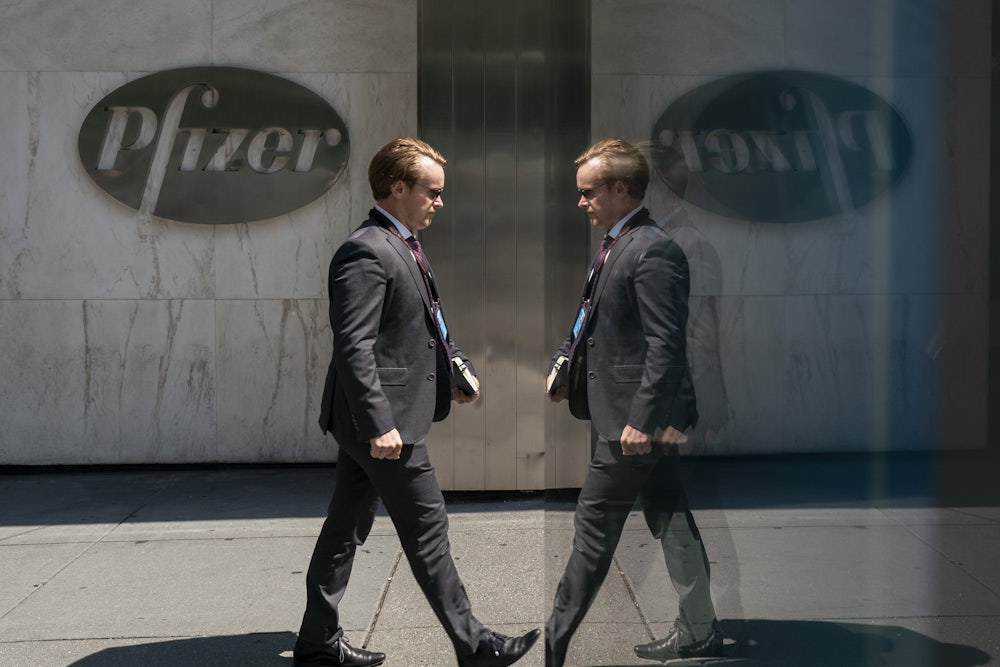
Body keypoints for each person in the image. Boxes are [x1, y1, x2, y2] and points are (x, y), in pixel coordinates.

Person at [295, 137, 540, 667]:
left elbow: (420, 325)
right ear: (398, 187)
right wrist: (380, 423)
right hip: (381, 425)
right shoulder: (366, 250)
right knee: (427, 527)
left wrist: (451, 370)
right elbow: (354, 345)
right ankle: (476, 646)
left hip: (376, 417)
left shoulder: (400, 242)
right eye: (433, 190)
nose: (439, 201)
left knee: (344, 527)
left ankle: (317, 642)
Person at [544, 138, 722, 666]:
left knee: (593, 527)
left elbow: (666, 348)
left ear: (622, 189)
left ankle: (554, 640)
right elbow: (591, 321)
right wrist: (564, 365)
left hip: (633, 424)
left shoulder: (653, 250)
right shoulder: (618, 243)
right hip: (627, 414)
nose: (581, 203)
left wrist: (641, 422)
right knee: (669, 514)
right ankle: (700, 629)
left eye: (588, 192)